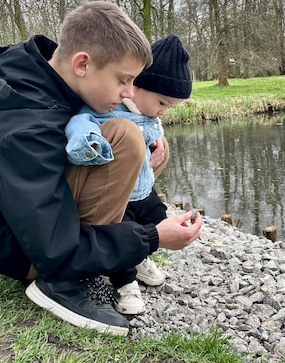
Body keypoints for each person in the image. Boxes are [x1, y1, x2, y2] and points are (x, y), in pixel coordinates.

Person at [0, 1, 202, 336]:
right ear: (82, 63)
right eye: (123, 80)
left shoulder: (49, 85)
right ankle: (64, 284)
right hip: (21, 249)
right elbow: (54, 246)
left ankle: (111, 254)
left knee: (143, 140)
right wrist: (152, 237)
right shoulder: (22, 127)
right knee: (124, 137)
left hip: (31, 226)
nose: (129, 92)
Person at [65, 33, 192, 315]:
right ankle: (125, 282)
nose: (164, 112)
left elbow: (152, 126)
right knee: (121, 231)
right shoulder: (109, 108)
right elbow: (81, 121)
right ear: (138, 87)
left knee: (158, 219)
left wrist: (157, 139)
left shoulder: (150, 116)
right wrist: (88, 143)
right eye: (162, 104)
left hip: (143, 191)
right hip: (116, 196)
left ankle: (138, 256)